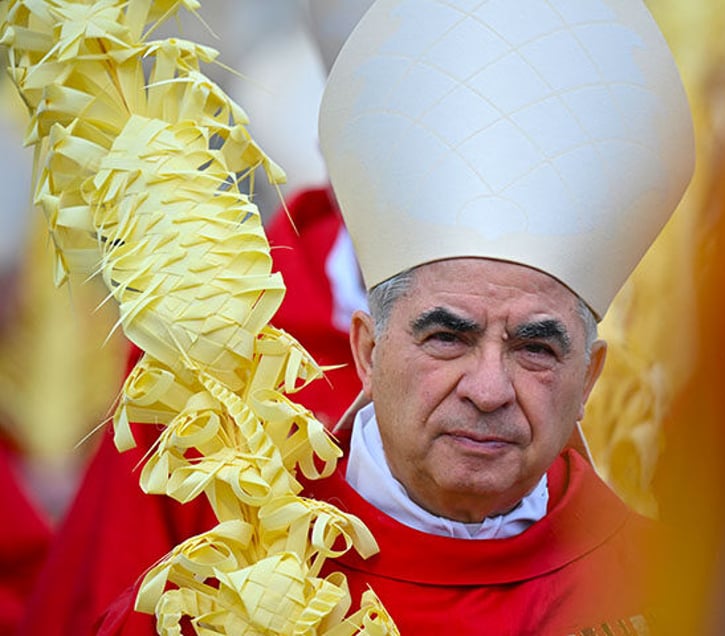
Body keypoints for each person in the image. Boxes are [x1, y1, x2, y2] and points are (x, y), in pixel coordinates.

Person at [98, 0, 694, 633]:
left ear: (590, 377)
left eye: (536, 349)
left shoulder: (671, 595)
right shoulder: (225, 597)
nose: (489, 390)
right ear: (367, 352)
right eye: (447, 338)